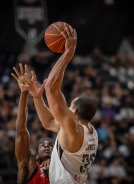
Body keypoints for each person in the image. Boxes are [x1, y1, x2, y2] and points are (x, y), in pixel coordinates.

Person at [25, 25, 98, 183]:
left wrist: (68, 52)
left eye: (70, 106)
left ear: (76, 112)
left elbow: (50, 86)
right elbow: (49, 122)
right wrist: (37, 98)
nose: (67, 109)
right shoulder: (89, 132)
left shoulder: (73, 128)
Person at [11, 63, 53, 184]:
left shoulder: (61, 172)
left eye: (50, 145)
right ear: (37, 155)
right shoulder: (31, 164)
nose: (46, 146)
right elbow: (20, 131)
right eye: (43, 145)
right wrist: (24, 93)